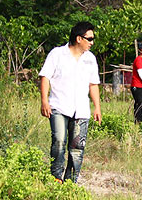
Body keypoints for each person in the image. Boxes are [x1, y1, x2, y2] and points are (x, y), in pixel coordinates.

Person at [39, 21, 102, 183]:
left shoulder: (90, 59)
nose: (92, 42)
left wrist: (97, 107)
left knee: (77, 149)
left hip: (81, 110)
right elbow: (45, 77)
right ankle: (56, 178)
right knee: (59, 141)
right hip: (58, 107)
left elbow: (93, 84)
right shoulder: (57, 54)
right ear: (79, 38)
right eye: (90, 38)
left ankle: (70, 183)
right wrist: (44, 101)